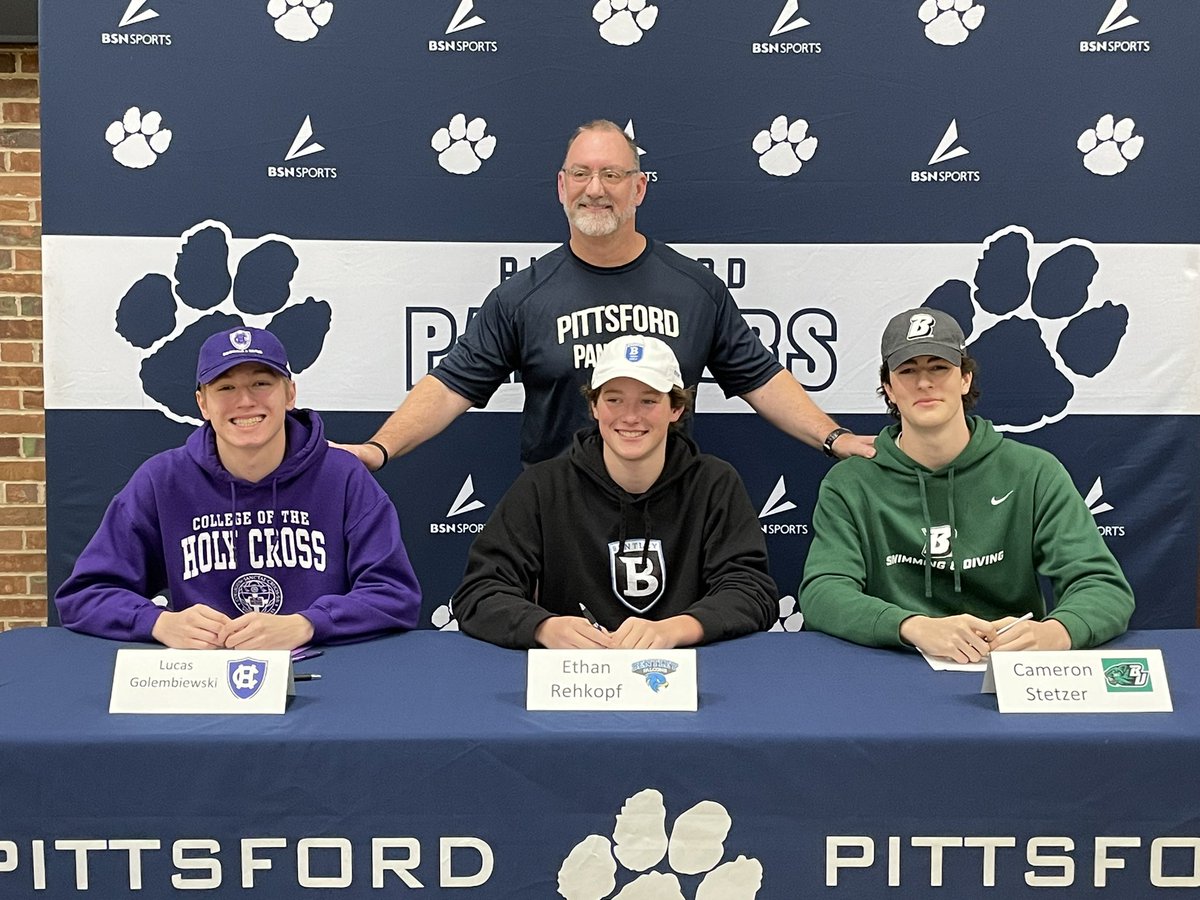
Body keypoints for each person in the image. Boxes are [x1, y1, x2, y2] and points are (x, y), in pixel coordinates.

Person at [343, 118, 874, 468]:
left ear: (639, 188)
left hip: (673, 513)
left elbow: (761, 378)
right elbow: (450, 385)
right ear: (561, 186)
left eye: (612, 174)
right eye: (581, 174)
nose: (595, 188)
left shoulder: (696, 290)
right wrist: (379, 449)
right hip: (555, 519)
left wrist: (834, 438)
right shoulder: (521, 298)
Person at [799, 307, 1134, 663]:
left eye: (939, 367)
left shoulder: (1033, 471)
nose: (924, 382)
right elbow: (823, 591)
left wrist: (1054, 633)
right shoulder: (850, 482)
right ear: (889, 389)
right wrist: (912, 626)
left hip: (1008, 668)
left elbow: (1103, 586)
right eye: (908, 370)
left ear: (965, 379)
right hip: (894, 665)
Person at [55, 327, 421, 650]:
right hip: (200, 685)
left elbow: (395, 595)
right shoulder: (161, 480)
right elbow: (84, 595)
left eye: (261, 383)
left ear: (290, 393)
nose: (245, 401)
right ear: (203, 403)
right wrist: (159, 622)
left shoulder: (343, 477)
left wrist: (307, 624)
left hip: (322, 677)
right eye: (226, 387)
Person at [452, 335, 778, 650]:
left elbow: (752, 592)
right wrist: (543, 627)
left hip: (687, 680)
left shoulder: (714, 483)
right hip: (574, 680)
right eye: (614, 399)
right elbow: (479, 593)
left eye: (649, 400)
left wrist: (675, 629)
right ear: (594, 406)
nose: (631, 416)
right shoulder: (543, 486)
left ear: (676, 408)